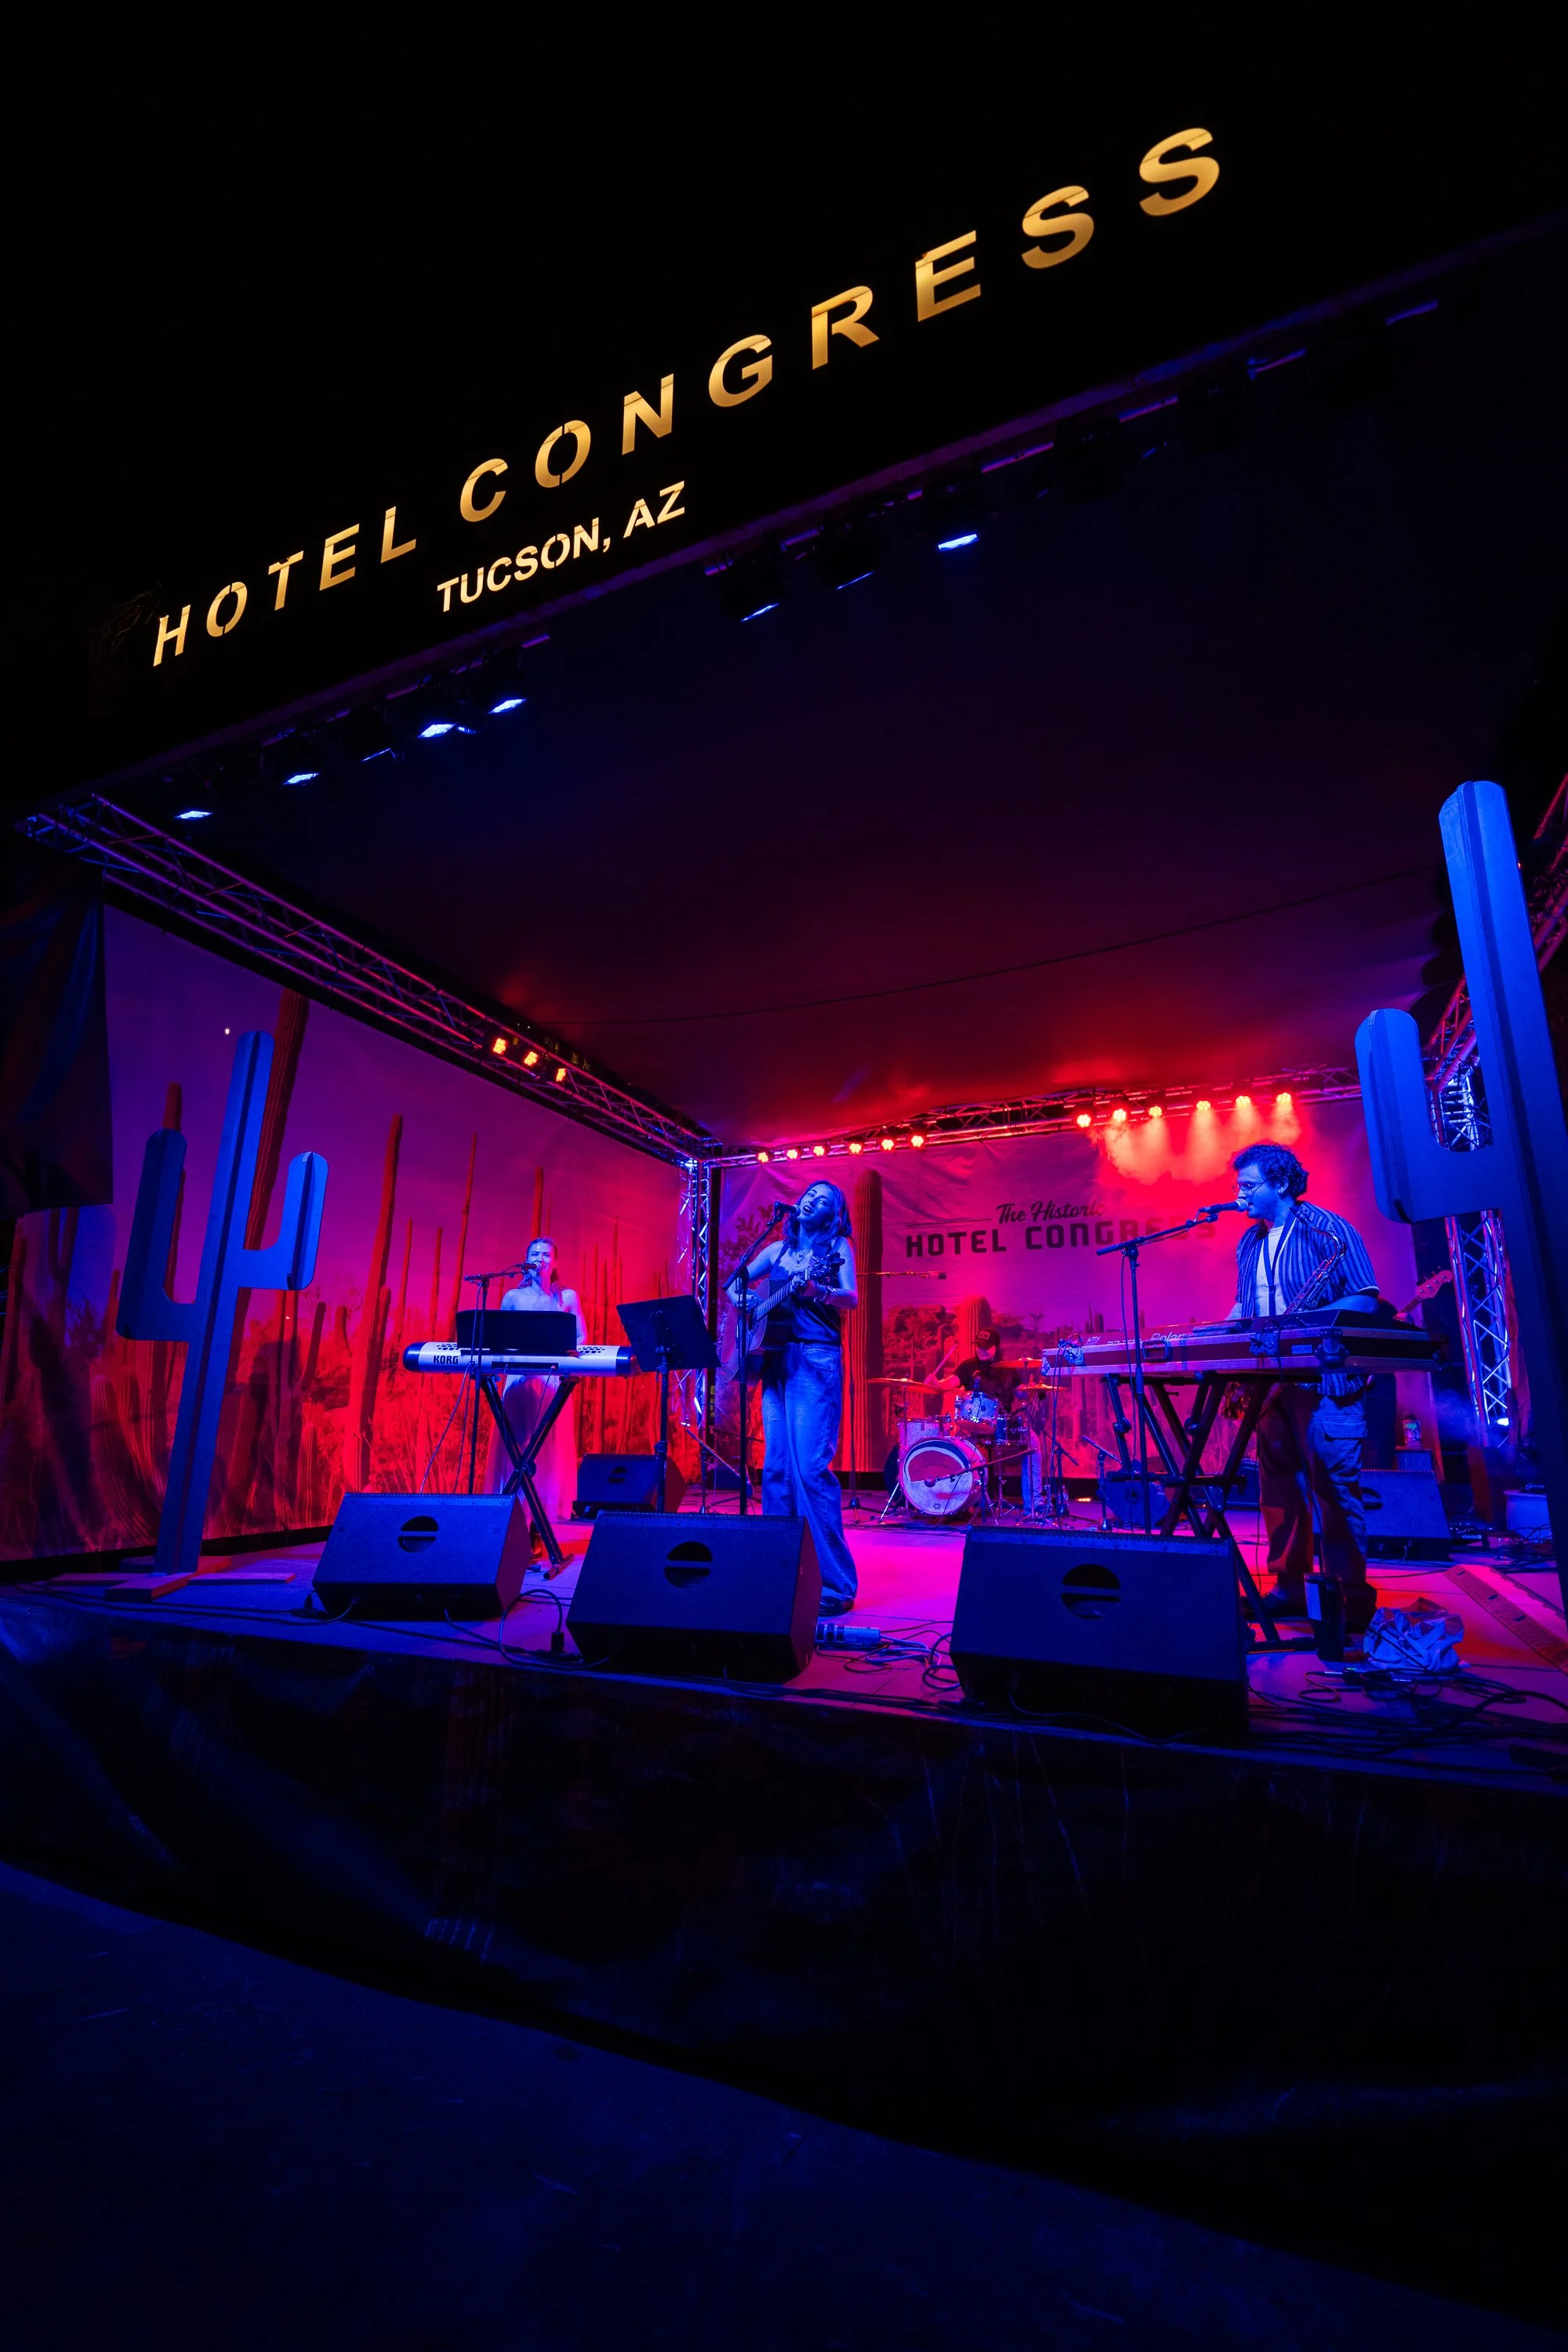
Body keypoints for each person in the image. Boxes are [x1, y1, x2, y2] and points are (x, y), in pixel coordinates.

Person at [1225, 1144, 1381, 1632]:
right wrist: (1217, 1335)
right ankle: (1289, 1589)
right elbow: (1245, 1307)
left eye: (1249, 1186)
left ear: (1281, 1184)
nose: (1239, 1195)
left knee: (1334, 1490)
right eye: (1239, 1186)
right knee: (1279, 1490)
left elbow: (1365, 1300)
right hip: (1270, 1384)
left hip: (1325, 1381)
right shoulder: (1248, 1243)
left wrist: (1303, 1325)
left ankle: (1348, 1601)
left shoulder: (1329, 1230)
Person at [729, 1181, 861, 1614]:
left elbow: (851, 1297)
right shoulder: (777, 1251)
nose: (811, 1201)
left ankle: (836, 1584)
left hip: (815, 1360)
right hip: (774, 1358)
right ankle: (779, 1570)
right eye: (809, 1195)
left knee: (809, 1470)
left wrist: (817, 1291)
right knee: (777, 1469)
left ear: (832, 1215)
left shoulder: (836, 1248)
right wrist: (746, 1302)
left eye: (823, 1200)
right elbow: (733, 1283)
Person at [490, 1236, 587, 1537]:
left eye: (546, 1255)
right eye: (534, 1254)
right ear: (526, 1260)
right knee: (518, 1445)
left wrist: (567, 1358)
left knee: (546, 1450)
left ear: (555, 1262)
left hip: (551, 1382)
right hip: (519, 1382)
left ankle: (537, 1527)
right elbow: (498, 1340)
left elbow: (581, 1337)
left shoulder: (567, 1297)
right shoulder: (512, 1298)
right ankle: (513, 1521)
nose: (540, 1259)